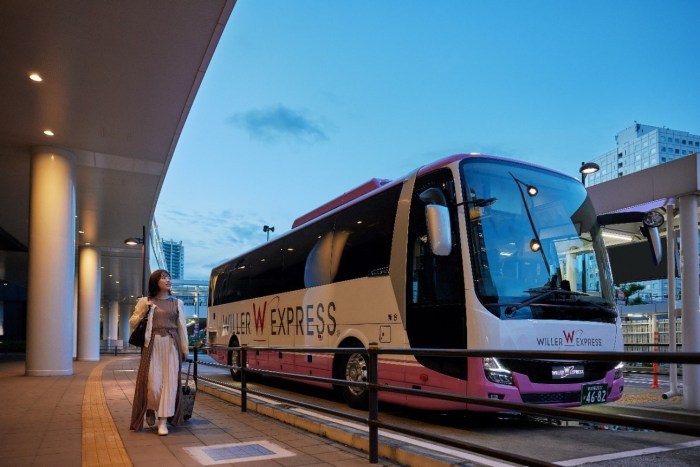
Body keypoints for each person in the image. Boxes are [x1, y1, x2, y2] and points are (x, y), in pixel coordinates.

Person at [129, 269, 189, 435]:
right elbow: (132, 322)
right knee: (153, 385)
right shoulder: (145, 301)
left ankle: (163, 421)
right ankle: (150, 407)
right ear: (155, 281)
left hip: (171, 344)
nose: (168, 280)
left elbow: (182, 328)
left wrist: (185, 349)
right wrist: (145, 311)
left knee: (169, 384)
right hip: (152, 344)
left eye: (169, 277)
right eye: (164, 278)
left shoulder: (177, 303)